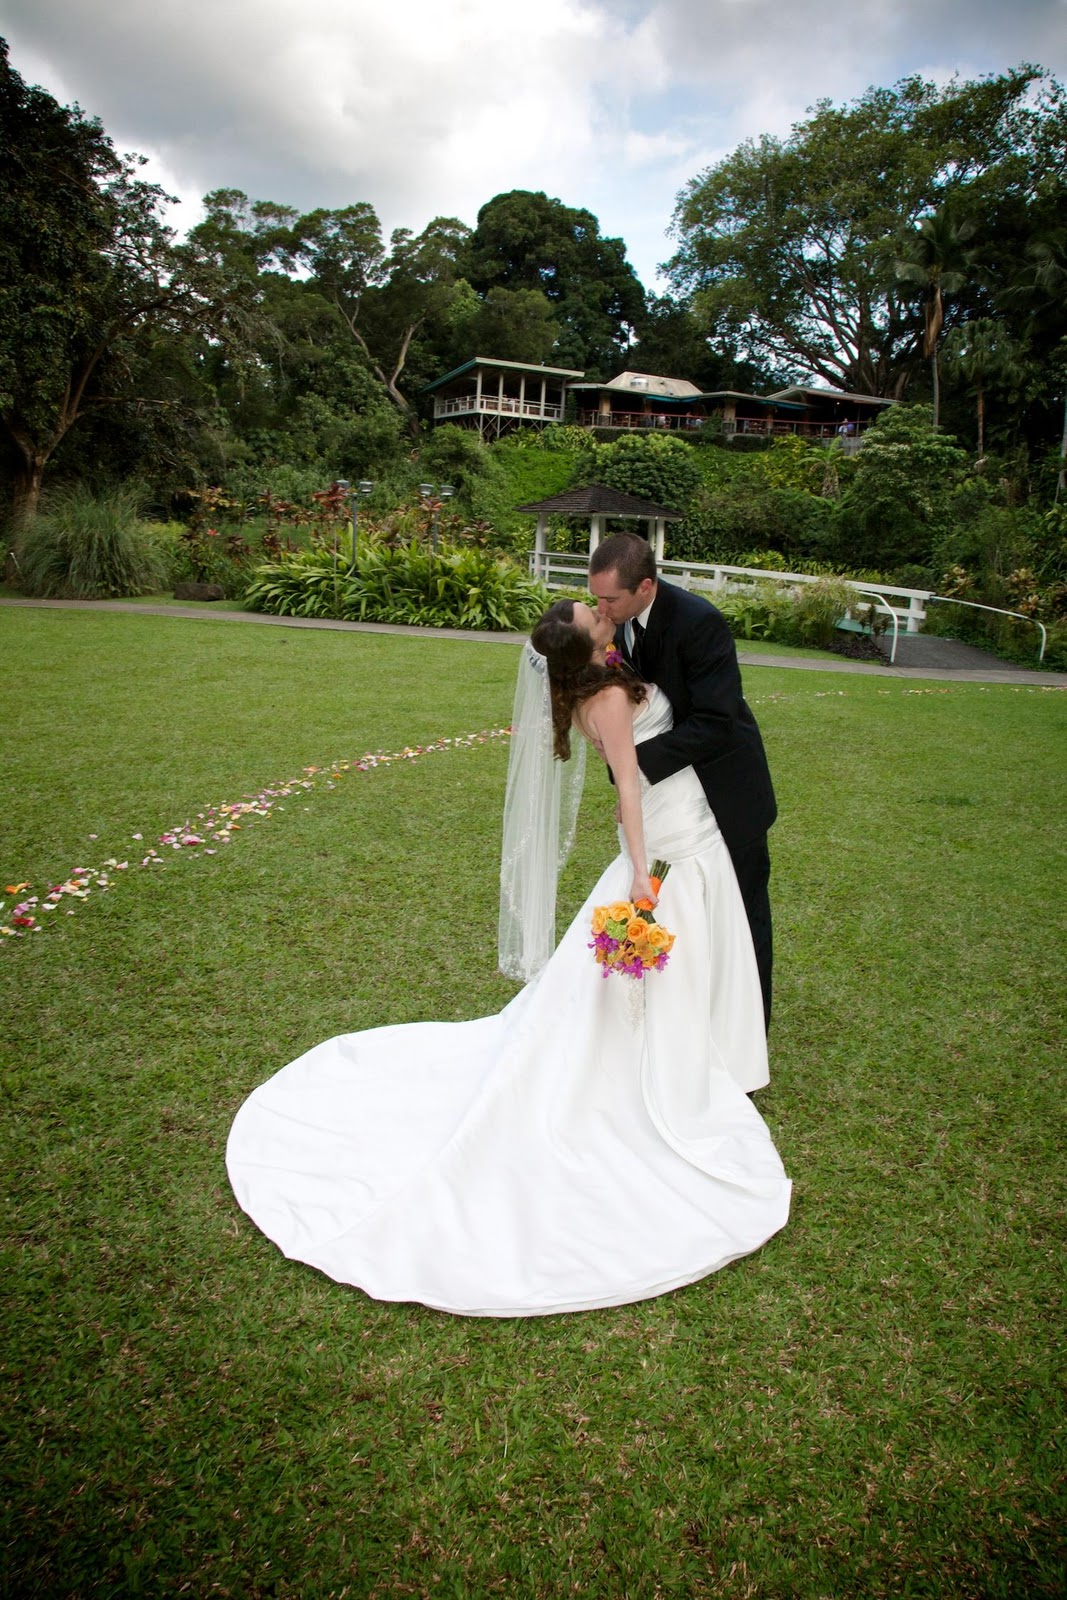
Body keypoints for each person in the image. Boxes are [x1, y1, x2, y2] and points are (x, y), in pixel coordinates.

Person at [226, 600, 790, 1317]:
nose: (602, 610)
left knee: (663, 962)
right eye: (594, 613)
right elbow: (626, 790)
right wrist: (644, 877)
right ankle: (669, 1063)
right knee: (658, 960)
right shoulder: (611, 697)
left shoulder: (593, 687)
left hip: (687, 819)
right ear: (586, 647)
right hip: (668, 838)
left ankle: (694, 1044)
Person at [588, 532, 776, 1029]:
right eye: (596, 596)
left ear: (646, 586)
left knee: (741, 911)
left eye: (610, 598)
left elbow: (717, 720)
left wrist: (633, 768)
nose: (600, 607)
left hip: (727, 792)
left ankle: (747, 1029)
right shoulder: (619, 626)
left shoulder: (700, 622)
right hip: (670, 798)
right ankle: (684, 1023)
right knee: (685, 913)